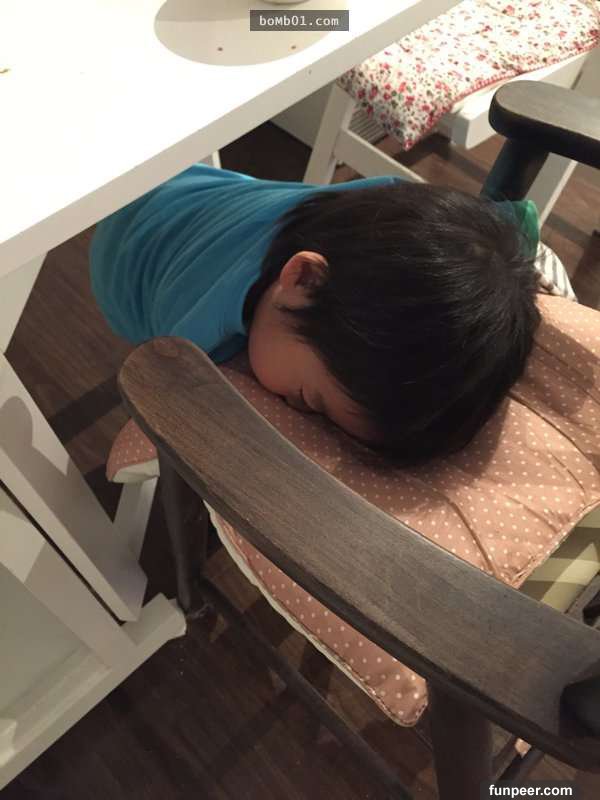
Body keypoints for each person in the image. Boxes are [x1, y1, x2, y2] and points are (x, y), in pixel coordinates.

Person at [90, 162, 542, 466]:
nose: (297, 411)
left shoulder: (378, 207)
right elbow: (161, 387)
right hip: (123, 252)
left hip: (195, 179)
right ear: (302, 279)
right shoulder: (196, 332)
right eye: (308, 399)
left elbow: (505, 228)